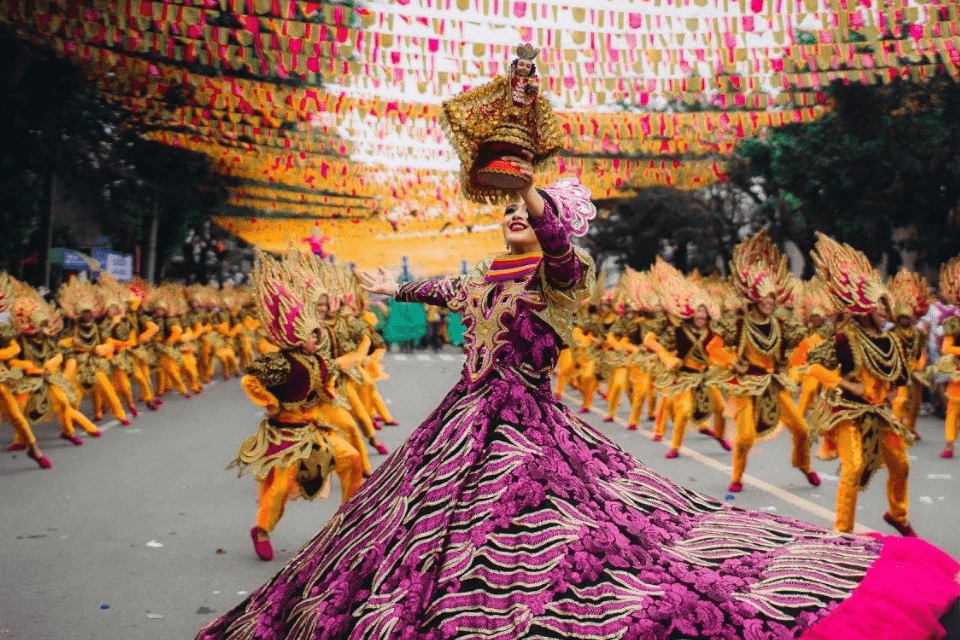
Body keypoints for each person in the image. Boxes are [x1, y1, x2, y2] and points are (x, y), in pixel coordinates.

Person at [197, 161, 959, 640]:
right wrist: (387, 286)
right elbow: (443, 289)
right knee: (411, 530)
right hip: (461, 424)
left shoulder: (561, 278)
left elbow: (559, 248)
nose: (511, 219)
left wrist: (529, 184)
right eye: (505, 211)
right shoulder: (486, 280)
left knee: (577, 534)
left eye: (523, 213)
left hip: (527, 429)